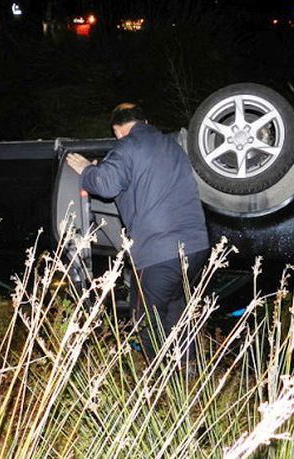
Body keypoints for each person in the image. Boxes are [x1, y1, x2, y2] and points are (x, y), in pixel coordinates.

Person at [66, 103, 210, 361]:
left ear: (117, 130)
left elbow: (107, 185)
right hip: (196, 247)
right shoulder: (172, 147)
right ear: (144, 120)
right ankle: (188, 373)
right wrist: (107, 167)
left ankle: (159, 384)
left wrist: (88, 170)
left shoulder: (128, 145)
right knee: (177, 312)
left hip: (158, 253)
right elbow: (141, 181)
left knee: (145, 323)